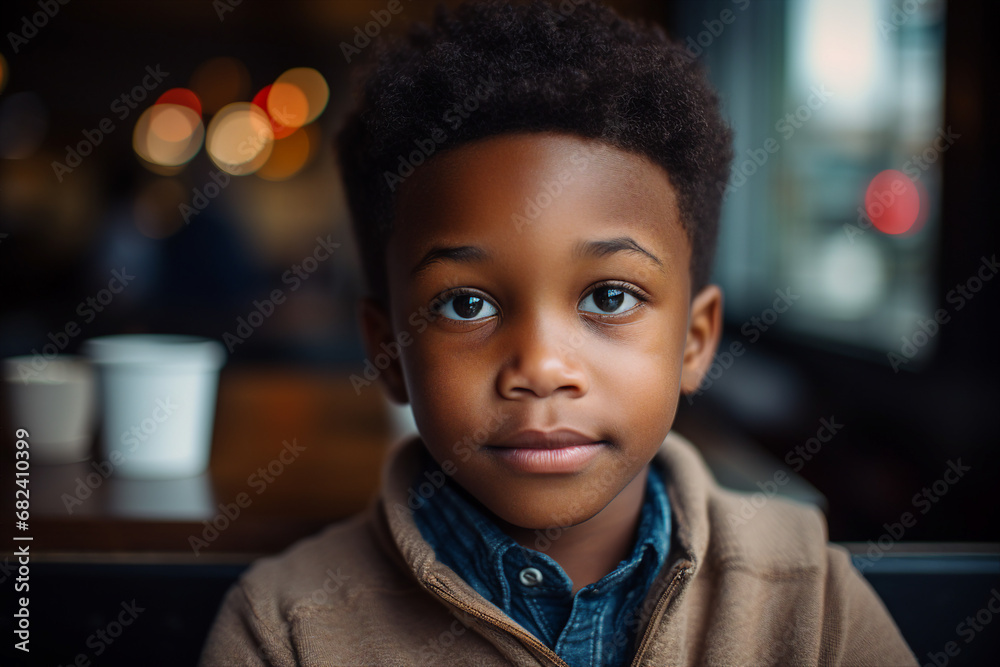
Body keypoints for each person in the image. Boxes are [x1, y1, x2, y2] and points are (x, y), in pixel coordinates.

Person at [200, 1, 917, 664]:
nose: (541, 366)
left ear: (695, 340)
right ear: (387, 347)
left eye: (609, 295)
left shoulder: (811, 598)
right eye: (466, 305)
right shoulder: (286, 629)